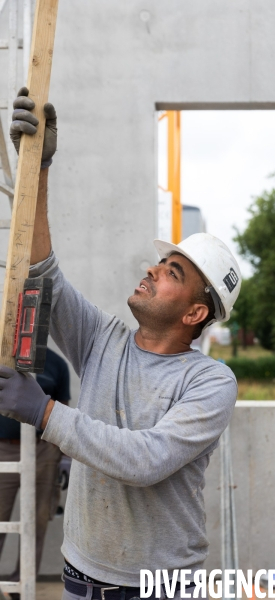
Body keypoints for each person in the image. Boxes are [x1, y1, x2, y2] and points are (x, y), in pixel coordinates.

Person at [0, 88, 242, 600]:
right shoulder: (103, 338)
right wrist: (38, 169)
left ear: (195, 312)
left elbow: (145, 460)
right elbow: (44, 274)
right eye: (160, 262)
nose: (152, 270)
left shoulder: (210, 382)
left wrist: (45, 414)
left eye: (172, 271)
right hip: (80, 575)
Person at [0, 347, 70, 599]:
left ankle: (22, 583)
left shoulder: (54, 363)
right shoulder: (1, 355)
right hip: (3, 448)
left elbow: (62, 407)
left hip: (43, 450)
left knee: (37, 520)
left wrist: (62, 456)